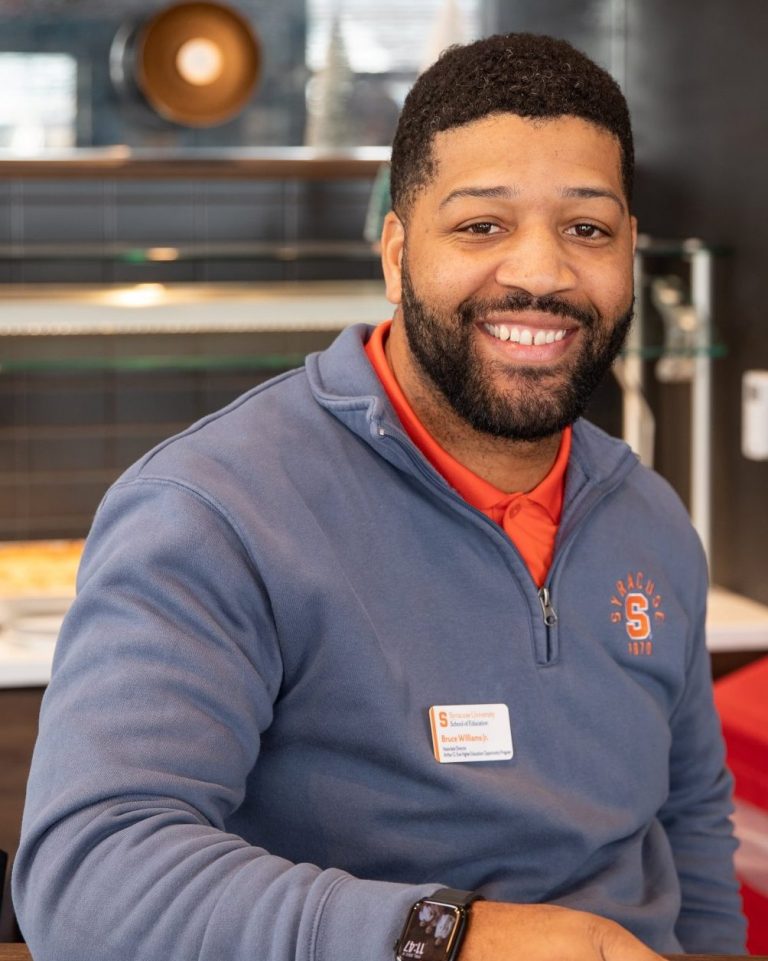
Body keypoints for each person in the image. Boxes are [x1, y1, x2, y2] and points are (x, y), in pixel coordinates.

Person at [13, 32, 745, 961]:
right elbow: (89, 880)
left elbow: (690, 829)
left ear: (630, 252)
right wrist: (448, 936)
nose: (542, 273)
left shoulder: (649, 517)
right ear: (397, 253)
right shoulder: (214, 510)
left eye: (587, 229)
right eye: (481, 225)